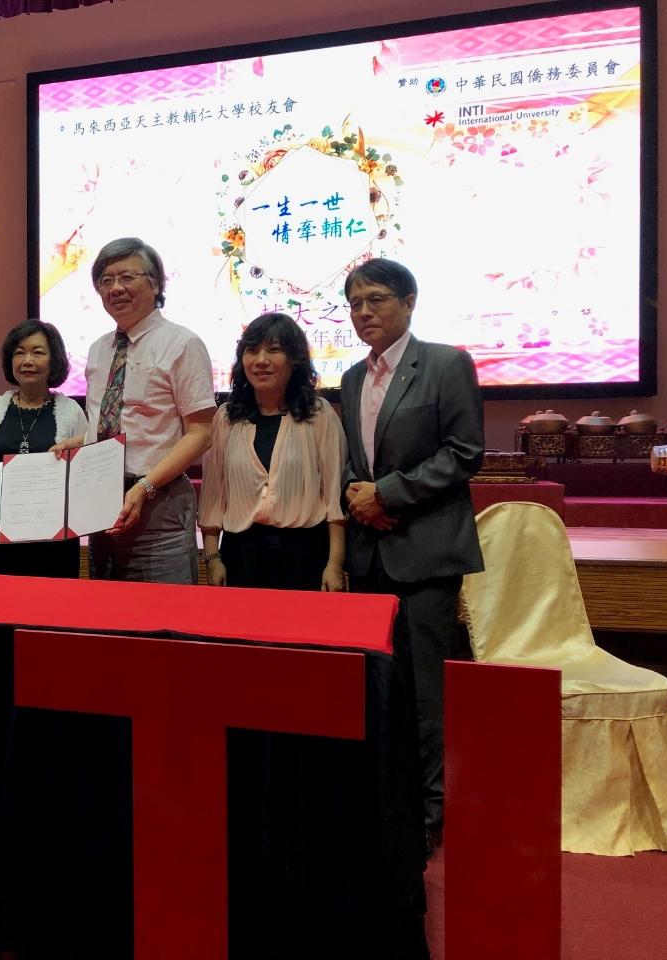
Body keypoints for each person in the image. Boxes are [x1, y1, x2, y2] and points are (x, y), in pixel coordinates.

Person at [338, 257, 484, 854]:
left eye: (376, 299)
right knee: (379, 690)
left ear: (409, 301)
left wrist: (388, 495)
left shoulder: (446, 363)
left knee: (425, 697)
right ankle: (386, 805)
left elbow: (465, 451)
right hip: (369, 554)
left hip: (423, 553)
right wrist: (357, 494)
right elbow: (355, 457)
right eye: (354, 303)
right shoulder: (350, 379)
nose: (364, 312)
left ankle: (428, 819)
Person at [54, 237, 215, 584]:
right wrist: (79, 441)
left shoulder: (182, 344)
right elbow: (117, 420)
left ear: (154, 282)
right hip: (102, 501)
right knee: (109, 618)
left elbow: (201, 433)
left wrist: (145, 487)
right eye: (106, 280)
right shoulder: (98, 350)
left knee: (163, 619)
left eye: (127, 277)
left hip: (160, 503)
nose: (116, 288)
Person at [198, 312, 346, 591]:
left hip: (305, 553)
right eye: (251, 351)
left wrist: (335, 564)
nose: (261, 360)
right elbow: (213, 496)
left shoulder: (319, 414)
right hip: (241, 552)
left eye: (274, 350)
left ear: (294, 360)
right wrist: (212, 557)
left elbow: (333, 497)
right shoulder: (227, 417)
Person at [0, 319, 89, 578]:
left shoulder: (71, 411)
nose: (27, 361)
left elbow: (82, 478)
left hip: (56, 537)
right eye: (19, 352)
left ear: (54, 359)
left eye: (38, 352)